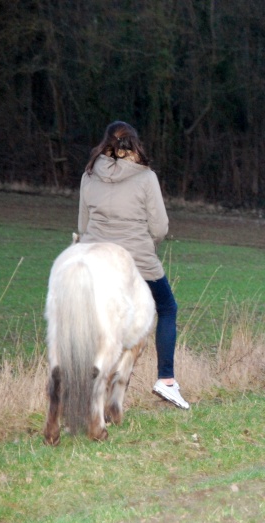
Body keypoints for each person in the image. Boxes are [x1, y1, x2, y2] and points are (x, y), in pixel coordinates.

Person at [77, 121, 190, 410]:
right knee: (167, 308)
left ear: (106, 143)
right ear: (134, 143)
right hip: (136, 261)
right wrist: (149, 245)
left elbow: (82, 225)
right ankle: (166, 381)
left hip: (97, 260)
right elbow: (161, 226)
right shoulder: (145, 177)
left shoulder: (89, 175)